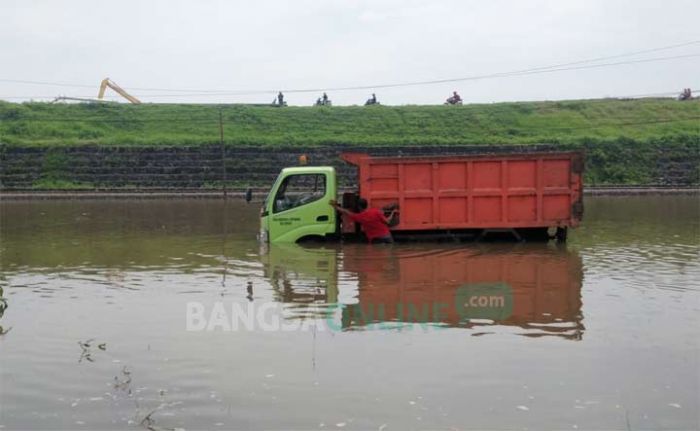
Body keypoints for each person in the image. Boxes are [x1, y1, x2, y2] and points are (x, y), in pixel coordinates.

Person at [330, 198, 395, 244]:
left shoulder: (359, 217)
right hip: (387, 237)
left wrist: (335, 206)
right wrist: (392, 213)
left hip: (375, 239)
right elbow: (388, 222)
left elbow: (346, 212)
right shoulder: (376, 212)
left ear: (359, 207)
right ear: (367, 205)